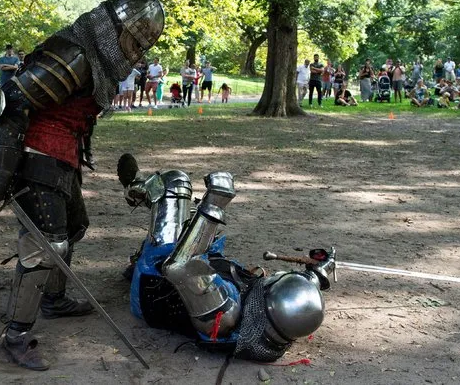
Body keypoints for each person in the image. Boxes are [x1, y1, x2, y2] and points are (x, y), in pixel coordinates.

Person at [0, 0, 164, 371]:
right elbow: (11, 99)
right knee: (47, 246)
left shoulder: (95, 56)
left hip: (63, 155)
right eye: (136, 39)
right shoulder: (73, 56)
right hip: (37, 155)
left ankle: (53, 300)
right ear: (117, 28)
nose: (137, 51)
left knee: (74, 228)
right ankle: (17, 336)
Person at [117, 154, 333, 364]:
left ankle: (136, 188)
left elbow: (180, 267)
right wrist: (320, 272)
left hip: (154, 282)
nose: (275, 275)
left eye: (276, 279)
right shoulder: (277, 322)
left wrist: (215, 203)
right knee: (189, 219)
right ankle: (149, 222)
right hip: (189, 270)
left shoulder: (225, 316)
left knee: (176, 182)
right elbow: (302, 298)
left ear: (271, 297)